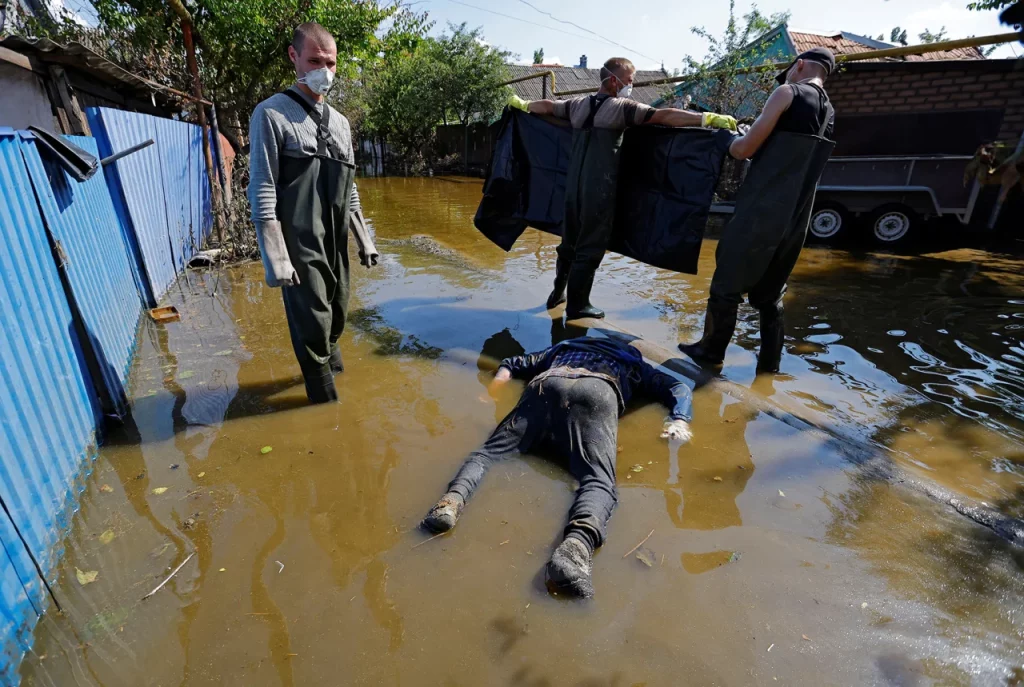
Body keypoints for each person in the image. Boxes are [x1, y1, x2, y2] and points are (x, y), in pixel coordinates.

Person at [421, 336, 695, 599]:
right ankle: (576, 546)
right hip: (597, 391)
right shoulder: (632, 362)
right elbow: (679, 388)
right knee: (597, 480)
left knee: (486, 454)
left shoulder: (559, 350)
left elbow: (510, 364)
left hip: (547, 384)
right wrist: (679, 420)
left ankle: (450, 502)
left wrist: (491, 395)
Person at [508, 57, 738, 320]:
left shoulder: (577, 105)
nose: (632, 86)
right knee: (590, 246)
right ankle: (578, 305)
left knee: (569, 241)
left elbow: (548, 106)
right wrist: (706, 119)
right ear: (614, 81)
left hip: (572, 189)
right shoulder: (621, 108)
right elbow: (665, 115)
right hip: (599, 190)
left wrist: (524, 105)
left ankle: (557, 293)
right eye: (629, 81)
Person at [679, 47, 837, 374]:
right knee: (770, 295)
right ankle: (769, 367)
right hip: (796, 219)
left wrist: (725, 136)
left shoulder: (787, 92)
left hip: (762, 210)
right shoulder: (830, 111)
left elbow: (743, 150)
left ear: (800, 65)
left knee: (727, 284)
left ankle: (710, 351)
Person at [248, 22, 378, 404]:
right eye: (315, 61)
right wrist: (275, 256)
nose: (325, 71)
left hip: (335, 235)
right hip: (300, 241)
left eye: (331, 63)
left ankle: (335, 373)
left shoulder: (341, 123)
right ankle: (325, 402)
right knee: (313, 318)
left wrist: (364, 238)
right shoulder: (271, 114)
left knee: (338, 309)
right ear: (294, 57)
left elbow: (349, 187)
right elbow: (263, 186)